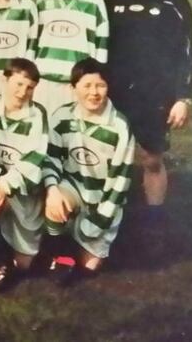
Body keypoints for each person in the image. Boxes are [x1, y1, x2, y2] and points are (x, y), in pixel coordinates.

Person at [102, 0, 192, 230]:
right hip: (112, 96)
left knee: (151, 160)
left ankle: (153, 222)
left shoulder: (173, 1)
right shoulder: (108, 0)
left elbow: (189, 52)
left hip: (155, 96)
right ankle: (104, 219)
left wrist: (184, 98)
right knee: (108, 158)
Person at [42, 58, 135, 285]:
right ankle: (59, 251)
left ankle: (84, 236)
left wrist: (98, 222)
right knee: (55, 204)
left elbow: (119, 183)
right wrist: (52, 190)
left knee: (88, 267)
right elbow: (51, 159)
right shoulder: (61, 116)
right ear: (74, 89)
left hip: (102, 198)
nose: (94, 92)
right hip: (73, 187)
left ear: (108, 88)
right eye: (87, 86)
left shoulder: (120, 127)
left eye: (100, 86)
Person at [0, 58, 49, 291]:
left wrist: (4, 186)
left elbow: (34, 159)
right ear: (4, 80)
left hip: (23, 188)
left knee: (24, 264)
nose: (23, 92)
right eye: (18, 84)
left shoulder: (37, 115)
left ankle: (9, 244)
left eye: (29, 87)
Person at [32, 0, 108, 115]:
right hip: (44, 84)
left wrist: (91, 85)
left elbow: (101, 47)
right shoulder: (43, 1)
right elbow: (33, 43)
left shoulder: (94, 2)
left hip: (76, 87)